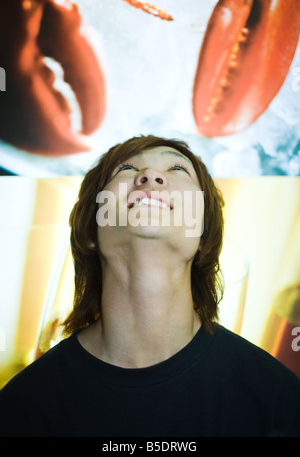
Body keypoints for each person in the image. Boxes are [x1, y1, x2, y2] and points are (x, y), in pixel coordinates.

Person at [0, 135, 299, 437]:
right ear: (91, 230)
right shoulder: (21, 407)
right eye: (126, 168)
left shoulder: (279, 401)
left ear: (204, 234)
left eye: (177, 169)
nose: (151, 177)